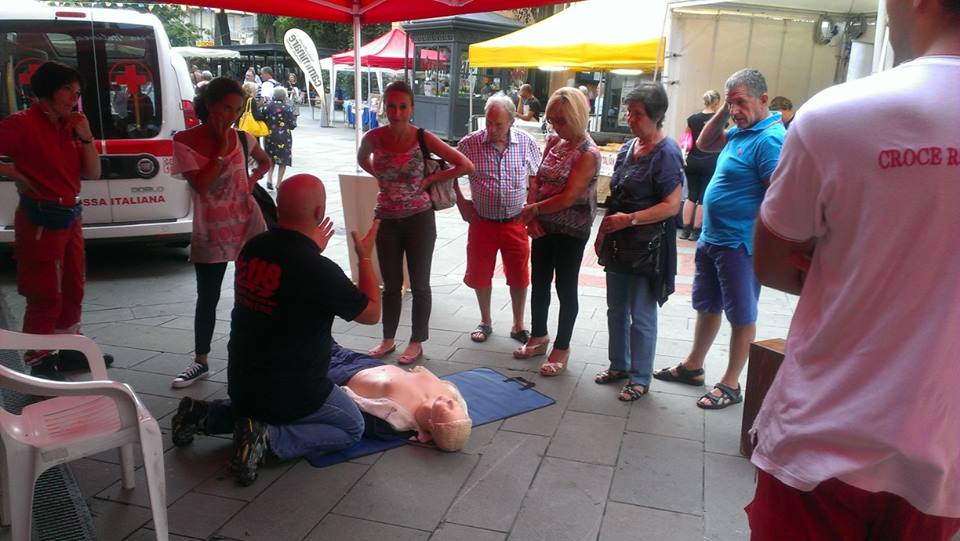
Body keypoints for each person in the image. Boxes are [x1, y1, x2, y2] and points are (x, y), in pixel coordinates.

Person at [747, 2, 960, 538]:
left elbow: (772, 263)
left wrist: (848, 270)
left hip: (823, 438)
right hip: (945, 458)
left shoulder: (837, 114)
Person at [171, 174, 383, 486]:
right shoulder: (317, 270)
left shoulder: (253, 248)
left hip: (242, 384)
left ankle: (204, 415)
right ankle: (268, 437)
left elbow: (289, 276)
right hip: (295, 391)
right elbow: (372, 314)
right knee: (351, 426)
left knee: (257, 406)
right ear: (320, 211)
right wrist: (364, 257)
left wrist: (310, 250)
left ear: (278, 207)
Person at [652, 68, 784, 410]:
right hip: (713, 237)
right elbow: (704, 143)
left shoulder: (769, 139)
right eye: (730, 104)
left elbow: (778, 197)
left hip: (740, 243)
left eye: (741, 102)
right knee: (707, 304)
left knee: (742, 313)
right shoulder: (742, 131)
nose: (735, 110)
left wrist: (763, 243)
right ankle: (694, 366)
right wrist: (727, 108)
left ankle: (731, 382)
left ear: (763, 100)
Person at [0, 60, 110, 380]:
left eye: (77, 92)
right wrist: (13, 171)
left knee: (74, 285)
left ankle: (69, 349)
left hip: (70, 215)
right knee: (44, 291)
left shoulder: (72, 125)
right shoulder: (21, 124)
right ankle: (39, 361)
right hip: (40, 219)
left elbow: (93, 173)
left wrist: (87, 137)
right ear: (47, 90)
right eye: (67, 89)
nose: (74, 97)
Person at [357, 81, 473, 365]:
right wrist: (381, 177)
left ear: (412, 108)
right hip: (386, 218)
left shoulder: (422, 137)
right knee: (390, 284)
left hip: (419, 219)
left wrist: (432, 179)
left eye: (402, 107)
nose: (396, 113)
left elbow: (465, 165)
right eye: (391, 106)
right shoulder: (374, 137)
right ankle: (388, 338)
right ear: (384, 108)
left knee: (420, 284)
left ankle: (416, 340)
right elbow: (362, 159)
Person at [169, 77, 270, 389]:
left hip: (247, 225)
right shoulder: (185, 140)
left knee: (248, 296)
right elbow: (201, 184)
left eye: (237, 110)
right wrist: (222, 152)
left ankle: (245, 355)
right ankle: (201, 360)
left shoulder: (242, 138)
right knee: (208, 296)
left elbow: (265, 161)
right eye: (226, 108)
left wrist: (252, 180)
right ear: (210, 105)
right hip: (211, 230)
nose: (232, 116)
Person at [593, 83, 683, 401]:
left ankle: (640, 377)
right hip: (619, 242)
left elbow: (671, 206)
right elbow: (614, 198)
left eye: (637, 114)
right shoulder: (627, 148)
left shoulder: (667, 153)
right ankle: (619, 365)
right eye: (629, 112)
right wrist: (604, 232)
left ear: (656, 116)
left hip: (647, 247)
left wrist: (629, 220)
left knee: (642, 313)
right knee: (616, 308)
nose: (630, 119)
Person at [516, 87, 600, 377]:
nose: (555, 126)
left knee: (565, 286)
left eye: (561, 120)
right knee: (539, 281)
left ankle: (562, 347)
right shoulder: (554, 141)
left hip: (571, 229)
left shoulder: (588, 153)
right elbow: (537, 179)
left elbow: (569, 197)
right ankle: (538, 335)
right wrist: (533, 215)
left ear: (577, 117)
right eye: (551, 120)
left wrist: (534, 210)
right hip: (544, 222)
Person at [455, 94, 542, 346]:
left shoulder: (526, 142)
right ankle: (485, 321)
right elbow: (448, 173)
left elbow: (536, 177)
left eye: (498, 124)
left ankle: (518, 324)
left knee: (519, 275)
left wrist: (532, 208)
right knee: (480, 273)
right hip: (482, 222)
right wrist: (461, 203)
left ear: (512, 122)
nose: (491, 129)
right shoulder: (470, 143)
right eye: (488, 122)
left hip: (515, 221)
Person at [680, 90, 722, 241]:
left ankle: (685, 230)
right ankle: (696, 232)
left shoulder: (692, 119)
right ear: (717, 102)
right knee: (703, 197)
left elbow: (686, 138)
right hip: (710, 161)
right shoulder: (719, 120)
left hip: (692, 160)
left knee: (691, 195)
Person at [261, 86, 297, 190]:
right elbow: (292, 125)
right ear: (284, 96)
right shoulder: (288, 108)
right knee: (283, 160)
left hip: (269, 135)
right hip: (284, 136)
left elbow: (262, 118)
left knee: (270, 157)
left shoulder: (267, 106)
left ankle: (269, 179)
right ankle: (278, 183)